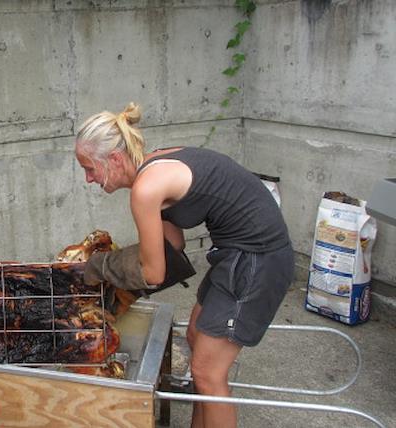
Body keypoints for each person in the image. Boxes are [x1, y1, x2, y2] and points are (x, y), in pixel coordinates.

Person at [76, 102, 294, 428]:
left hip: (259, 259)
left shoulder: (146, 188)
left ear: (115, 159)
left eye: (90, 168)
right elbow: (173, 244)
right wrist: (116, 270)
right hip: (235, 254)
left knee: (209, 373)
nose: (88, 178)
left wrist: (101, 268)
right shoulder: (152, 168)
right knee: (195, 335)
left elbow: (154, 272)